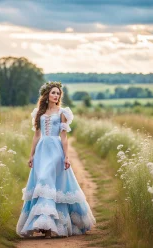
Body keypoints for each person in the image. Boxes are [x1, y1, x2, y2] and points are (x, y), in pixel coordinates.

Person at [16, 81, 96, 239]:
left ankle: (49, 226)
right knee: (42, 183)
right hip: (41, 151)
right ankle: (45, 226)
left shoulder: (63, 113)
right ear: (47, 95)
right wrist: (31, 155)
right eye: (53, 92)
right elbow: (36, 135)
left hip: (55, 151)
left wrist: (66, 156)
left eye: (58, 93)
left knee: (48, 180)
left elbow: (64, 138)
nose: (56, 95)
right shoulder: (39, 113)